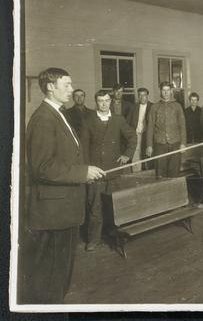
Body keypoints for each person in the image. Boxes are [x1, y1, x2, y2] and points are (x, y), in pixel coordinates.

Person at [23, 68, 105, 303]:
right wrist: (82, 172)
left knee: (59, 276)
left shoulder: (58, 114)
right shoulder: (43, 119)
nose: (71, 89)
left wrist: (84, 173)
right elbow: (42, 167)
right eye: (67, 85)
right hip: (53, 213)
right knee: (51, 279)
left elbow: (64, 159)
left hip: (63, 209)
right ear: (51, 87)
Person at [80, 90, 137, 251]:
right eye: (100, 101)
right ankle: (94, 239)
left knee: (114, 206)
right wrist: (86, 171)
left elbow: (132, 138)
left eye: (106, 100)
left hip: (113, 171)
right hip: (95, 172)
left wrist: (127, 155)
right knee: (94, 207)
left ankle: (115, 236)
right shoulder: (88, 121)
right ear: (96, 102)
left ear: (111, 102)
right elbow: (83, 148)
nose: (104, 104)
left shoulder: (118, 119)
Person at [146, 81, 186, 178]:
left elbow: (182, 126)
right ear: (160, 91)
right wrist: (149, 145)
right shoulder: (154, 107)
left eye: (168, 90)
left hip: (175, 144)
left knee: (174, 173)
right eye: (163, 90)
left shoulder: (177, 106)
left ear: (171, 91)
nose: (166, 92)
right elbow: (150, 127)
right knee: (160, 173)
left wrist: (183, 143)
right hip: (160, 145)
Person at [127, 87, 153, 172]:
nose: (142, 97)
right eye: (140, 95)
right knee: (135, 155)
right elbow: (128, 122)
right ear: (138, 96)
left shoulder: (153, 106)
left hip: (148, 135)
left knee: (147, 155)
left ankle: (148, 174)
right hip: (136, 134)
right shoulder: (133, 107)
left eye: (144, 95)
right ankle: (136, 174)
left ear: (147, 96)